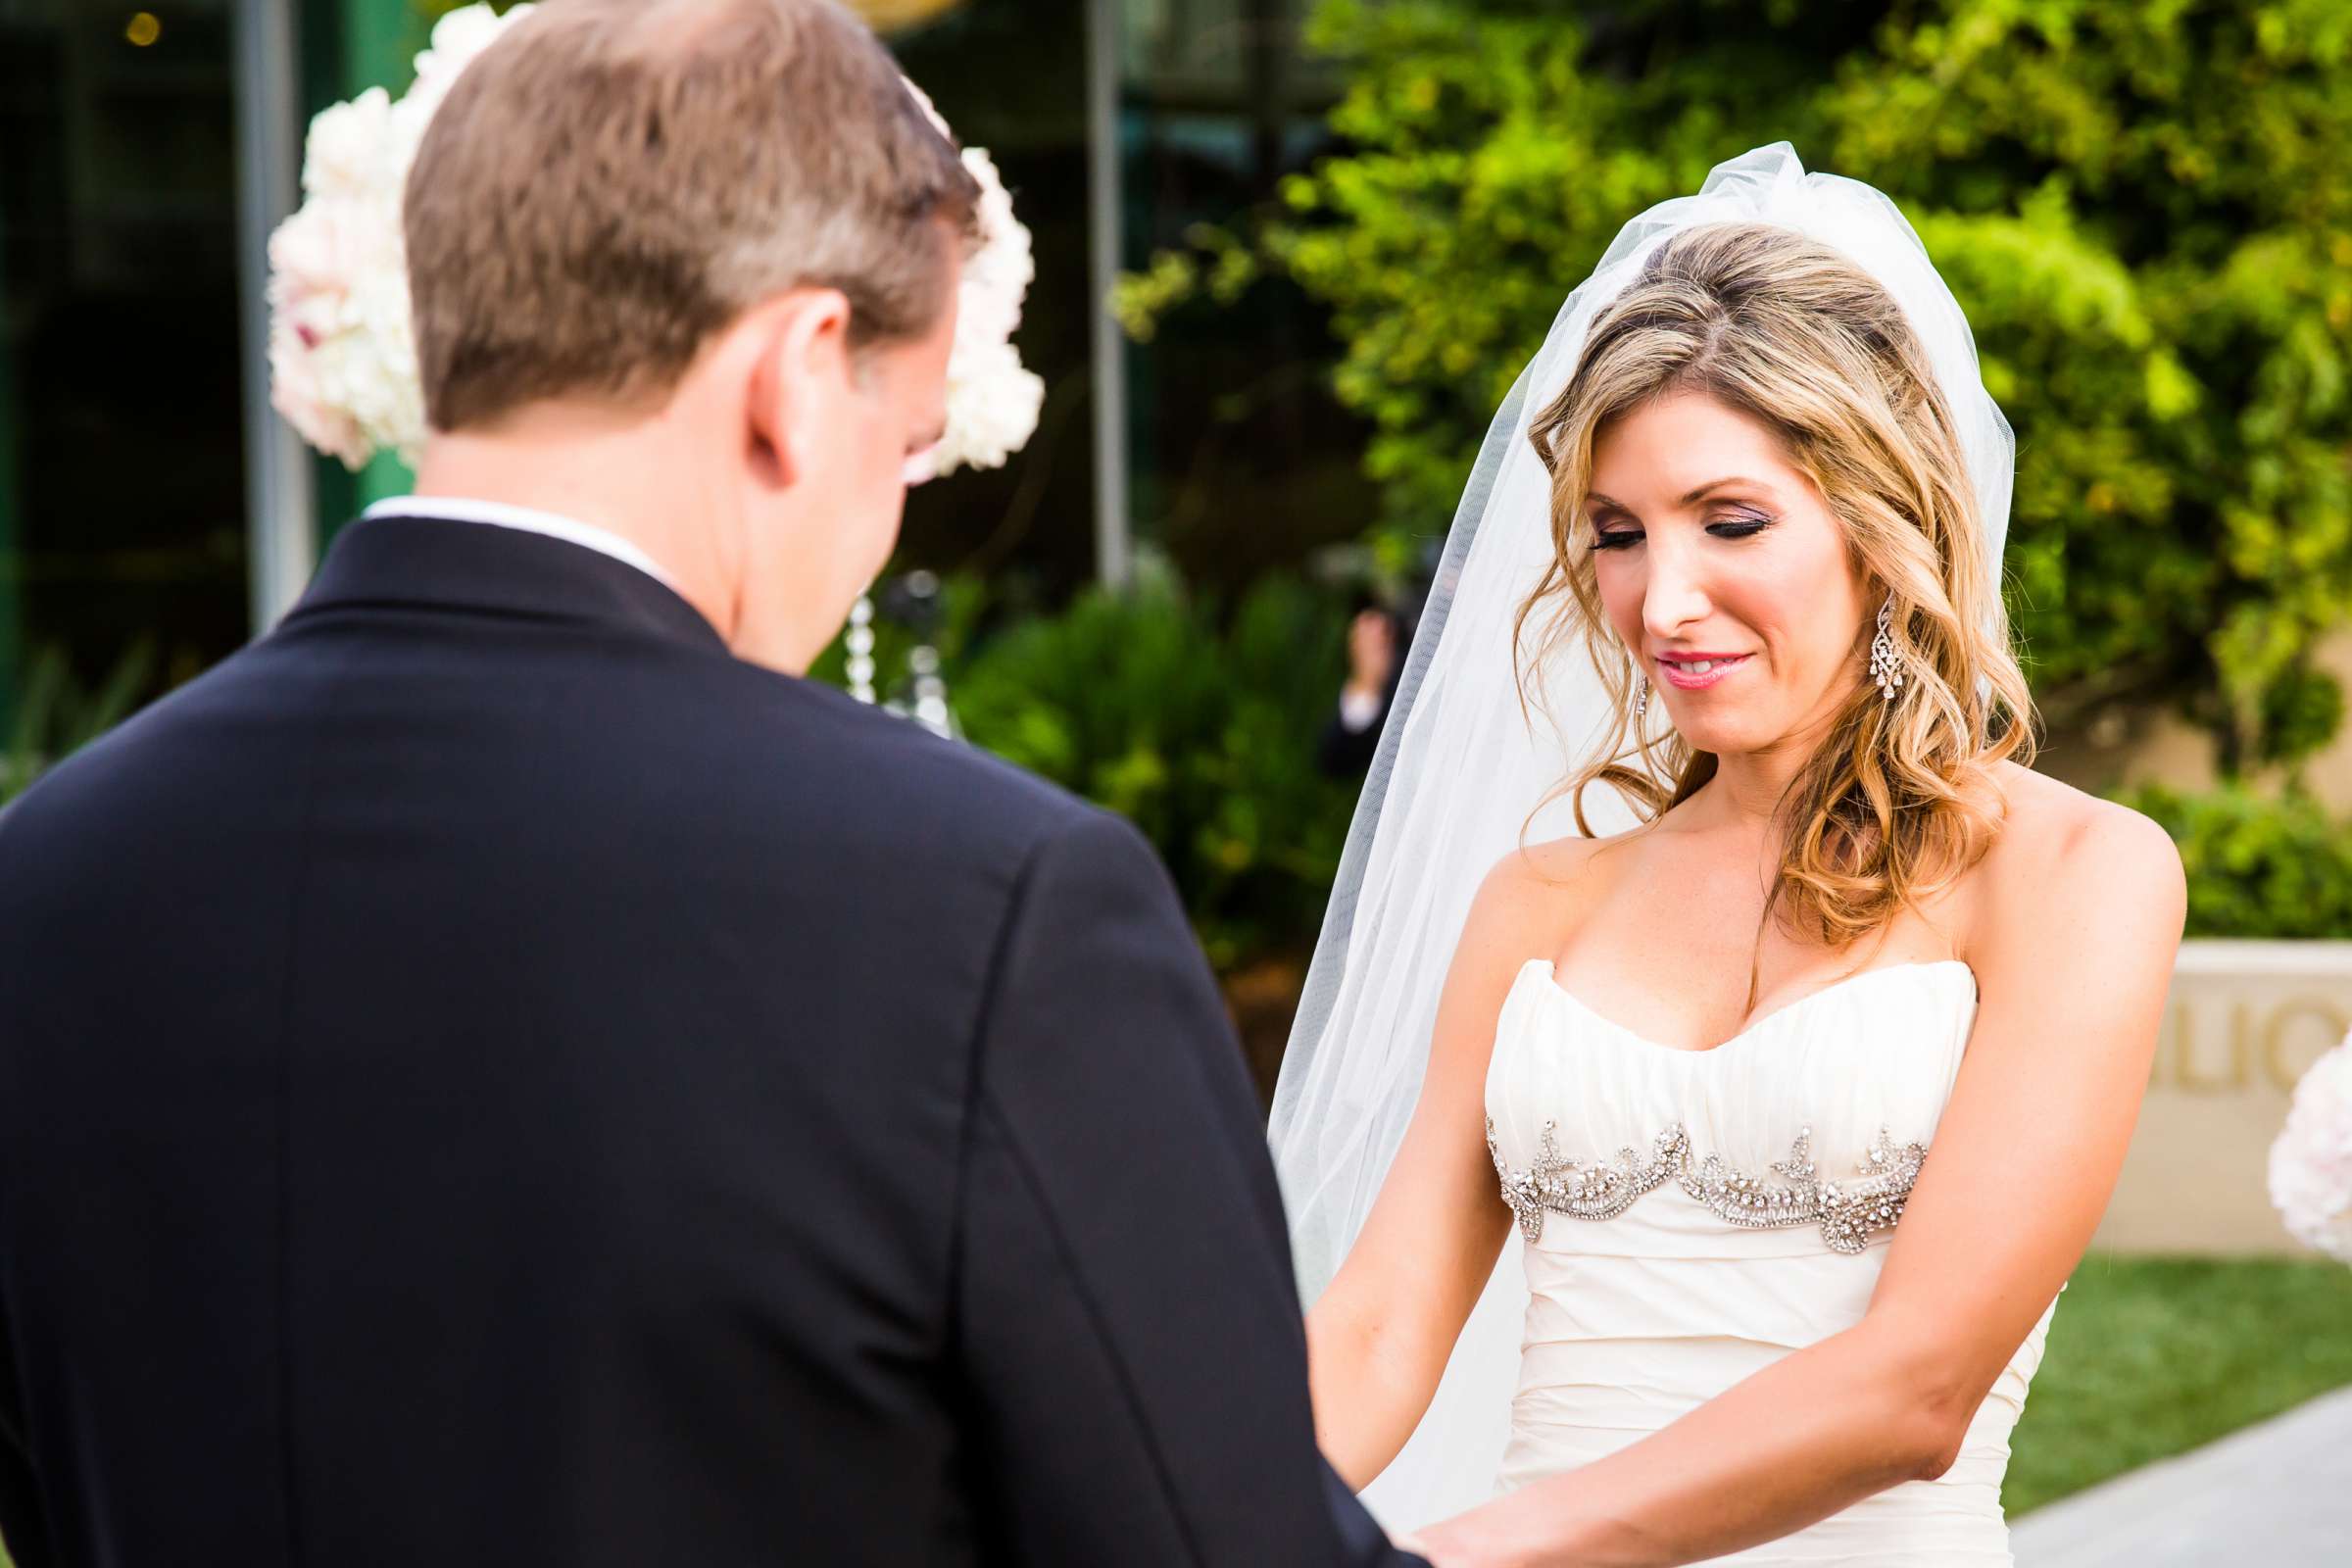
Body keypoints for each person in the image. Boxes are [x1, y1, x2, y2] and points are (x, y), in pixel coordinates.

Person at [0, 4, 1422, 1565]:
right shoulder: (988, 914)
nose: (891, 513)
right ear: (801, 375)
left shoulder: (45, 881)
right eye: (910, 436)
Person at [1272, 146, 2185, 1565]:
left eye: (1732, 521)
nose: (1662, 599)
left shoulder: (2074, 878)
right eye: (1620, 534)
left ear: (1881, 529)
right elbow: (1382, 1327)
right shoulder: (1537, 904)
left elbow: (1917, 1388)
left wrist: (1456, 1558)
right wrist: (1179, 1508)